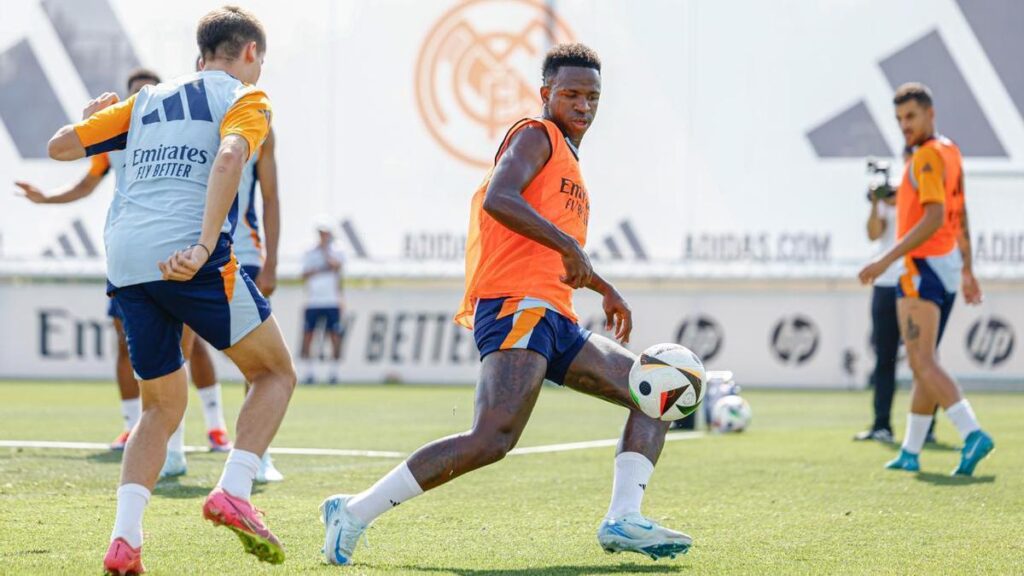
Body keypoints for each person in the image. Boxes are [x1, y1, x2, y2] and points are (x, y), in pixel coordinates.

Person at [320, 43, 692, 566]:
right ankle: (353, 512)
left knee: (654, 390)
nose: (583, 105)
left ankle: (623, 519)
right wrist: (570, 247)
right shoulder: (535, 134)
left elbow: (555, 249)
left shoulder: (568, 159)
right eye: (571, 94)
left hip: (554, 312)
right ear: (546, 94)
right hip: (516, 304)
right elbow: (500, 197)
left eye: (593, 97)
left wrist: (603, 285)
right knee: (492, 438)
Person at [46, 6, 295, 572]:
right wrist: (206, 245)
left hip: (127, 261)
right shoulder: (246, 97)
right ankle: (234, 489)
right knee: (275, 372)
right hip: (187, 257)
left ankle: (125, 540)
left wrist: (92, 116)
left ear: (198, 54)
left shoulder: (146, 101)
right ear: (251, 53)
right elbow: (231, 156)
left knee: (159, 408)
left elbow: (61, 145)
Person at [14, 69, 233, 463]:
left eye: (145, 95)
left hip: (173, 250)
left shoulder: (178, 132)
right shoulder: (115, 139)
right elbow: (86, 181)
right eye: (134, 96)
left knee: (188, 345)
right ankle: (138, 427)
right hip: (130, 255)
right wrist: (46, 199)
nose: (140, 102)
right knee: (130, 346)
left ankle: (208, 429)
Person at [858, 83, 992, 476]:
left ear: (930, 113)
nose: (904, 125)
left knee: (922, 360)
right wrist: (967, 268)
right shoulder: (948, 150)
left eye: (911, 116)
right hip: (945, 265)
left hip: (922, 266)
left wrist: (885, 259)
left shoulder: (927, 157)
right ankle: (911, 449)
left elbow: (934, 216)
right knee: (922, 362)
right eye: (899, 119)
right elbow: (959, 211)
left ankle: (972, 433)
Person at [194, 53, 284, 482]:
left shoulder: (256, 118)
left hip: (242, 249)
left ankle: (256, 453)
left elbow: (270, 197)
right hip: (188, 246)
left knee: (261, 361)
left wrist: (272, 260)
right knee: (182, 347)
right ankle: (172, 450)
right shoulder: (183, 115)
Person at [299, 221, 344, 384]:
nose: (323, 236)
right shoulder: (309, 251)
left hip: (332, 301)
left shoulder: (337, 250)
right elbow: (304, 273)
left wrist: (325, 251)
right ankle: (309, 372)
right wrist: (320, 267)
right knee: (309, 335)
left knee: (334, 336)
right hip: (313, 301)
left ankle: (334, 373)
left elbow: (336, 266)